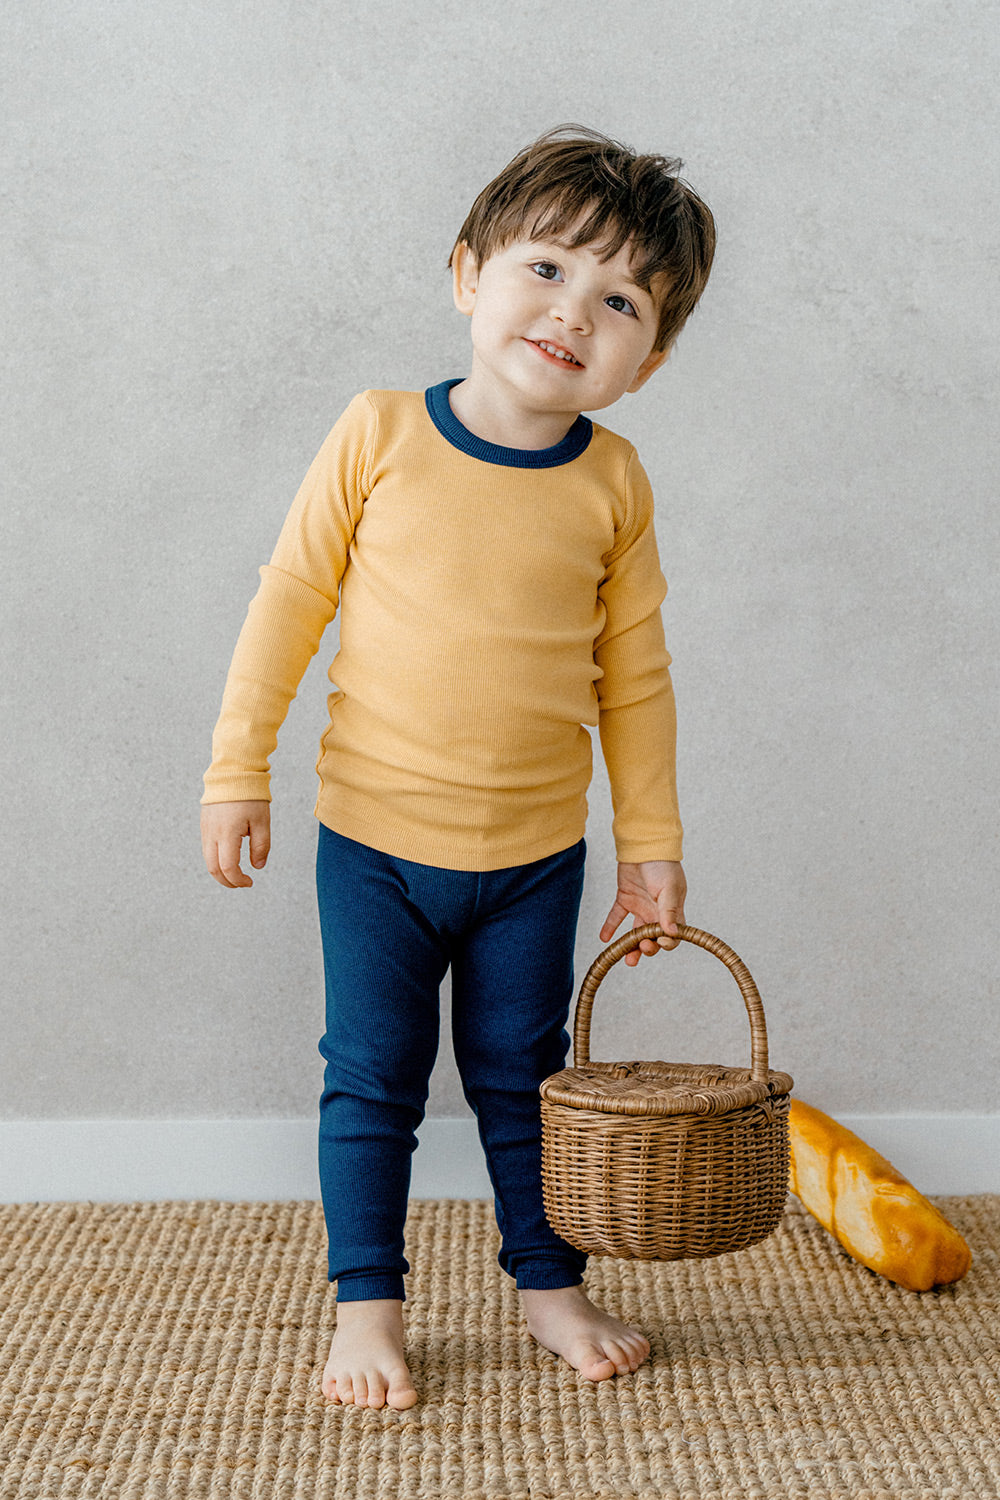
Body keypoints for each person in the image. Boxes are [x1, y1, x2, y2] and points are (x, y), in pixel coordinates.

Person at [201, 123, 715, 1411]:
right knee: (371, 1076)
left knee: (520, 1080)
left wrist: (653, 845)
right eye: (544, 268)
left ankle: (547, 1284)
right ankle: (368, 1303)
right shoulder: (379, 434)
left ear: (646, 362)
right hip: (374, 842)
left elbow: (635, 680)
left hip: (535, 858)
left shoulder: (615, 481)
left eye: (619, 302)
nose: (570, 314)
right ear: (465, 273)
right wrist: (235, 770)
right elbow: (287, 603)